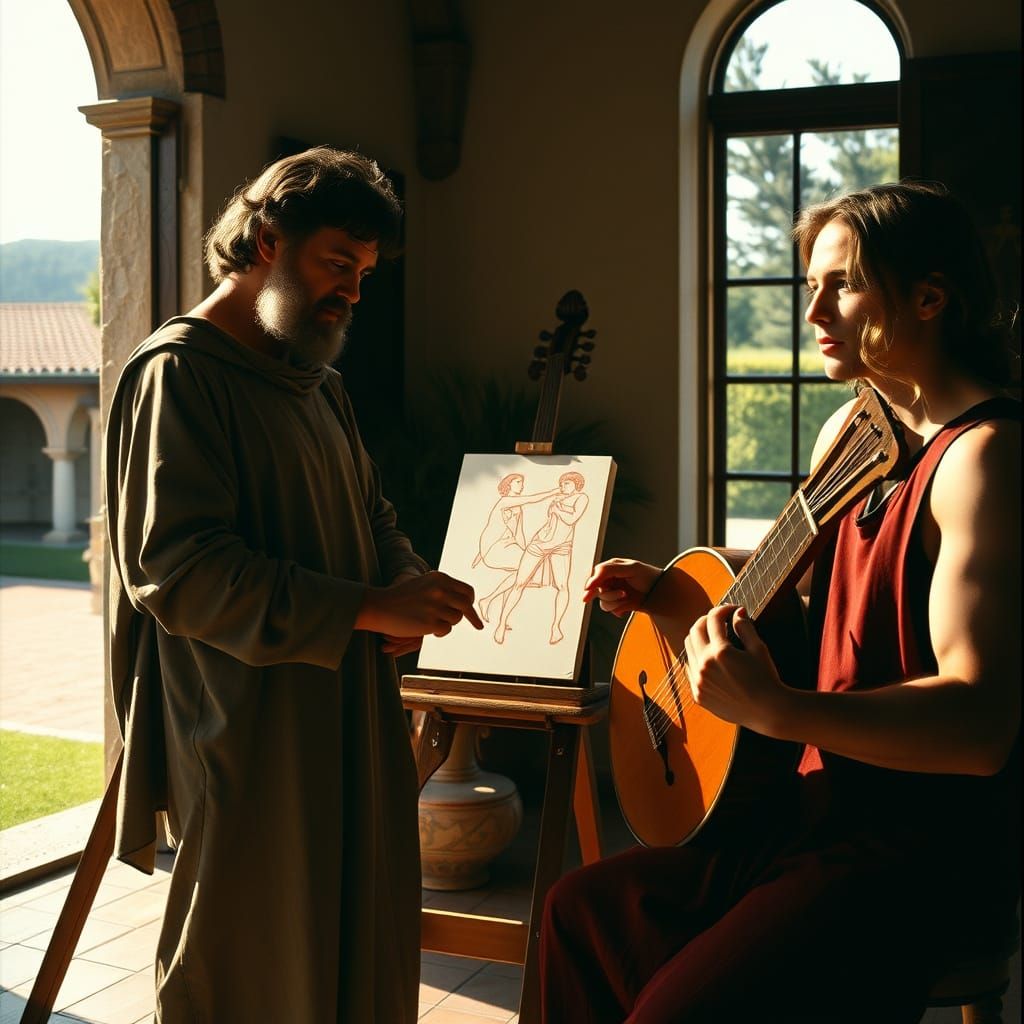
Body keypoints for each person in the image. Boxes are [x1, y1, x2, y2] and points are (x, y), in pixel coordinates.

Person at [540, 181, 1021, 1023]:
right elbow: (795, 583)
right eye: (812, 288)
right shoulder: (853, 432)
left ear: (929, 297)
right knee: (576, 915)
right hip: (807, 817)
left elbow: (979, 729)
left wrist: (778, 710)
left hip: (916, 849)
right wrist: (674, 592)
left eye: (842, 285)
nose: (814, 312)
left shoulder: (985, 460)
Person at [105, 146, 483, 1023]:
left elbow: (372, 514)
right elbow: (177, 569)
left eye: (364, 273)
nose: (351, 291)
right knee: (252, 964)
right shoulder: (180, 374)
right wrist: (362, 606)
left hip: (344, 710)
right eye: (336, 264)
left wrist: (407, 582)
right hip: (244, 728)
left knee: (358, 946)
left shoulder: (320, 387)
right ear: (266, 242)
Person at [494, 471, 590, 645]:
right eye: (562, 484)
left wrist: (557, 510)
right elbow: (550, 522)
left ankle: (556, 627)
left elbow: (572, 519)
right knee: (519, 583)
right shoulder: (557, 499)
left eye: (567, 484)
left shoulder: (581, 498)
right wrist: (555, 507)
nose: (563, 487)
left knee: (562, 586)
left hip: (562, 546)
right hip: (540, 542)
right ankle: (501, 624)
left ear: (576, 484)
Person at [473, 473, 561, 623]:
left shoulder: (518, 508)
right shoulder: (505, 501)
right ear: (508, 485)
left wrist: (529, 551)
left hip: (507, 546)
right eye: (518, 482)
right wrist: (554, 491)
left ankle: (500, 616)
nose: (522, 485)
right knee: (526, 569)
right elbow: (532, 499)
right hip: (495, 548)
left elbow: (519, 535)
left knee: (525, 571)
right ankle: (487, 601)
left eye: (522, 482)